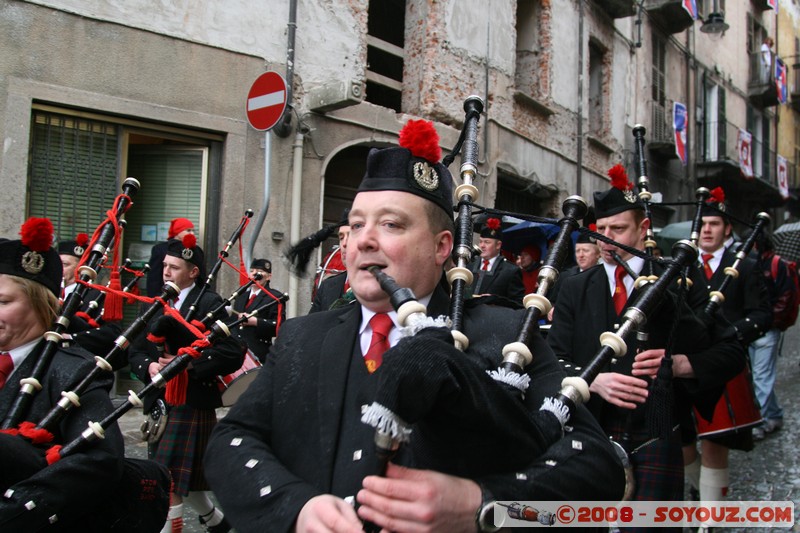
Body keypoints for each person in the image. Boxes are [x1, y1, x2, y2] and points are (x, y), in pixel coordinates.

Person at [205, 119, 626, 533]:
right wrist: (297, 509)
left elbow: (596, 468)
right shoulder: (303, 337)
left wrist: (483, 506)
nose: (364, 240)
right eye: (355, 224)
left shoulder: (509, 334)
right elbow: (232, 440)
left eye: (390, 224)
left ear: (442, 246)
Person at [547, 170, 745, 511]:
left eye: (618, 230)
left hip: (654, 430)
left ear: (642, 229)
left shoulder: (678, 278)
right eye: (600, 231)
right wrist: (591, 380)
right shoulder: (573, 286)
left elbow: (730, 352)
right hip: (589, 426)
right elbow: (552, 356)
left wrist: (683, 365)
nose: (607, 240)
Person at [0, 218, 126, 530]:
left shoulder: (74, 370)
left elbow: (99, 462)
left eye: (3, 301)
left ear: (42, 306)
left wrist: (13, 510)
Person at [129, 234, 244, 533]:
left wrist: (189, 365)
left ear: (193, 272)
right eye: (165, 266)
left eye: (174, 267)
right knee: (180, 479)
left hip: (190, 401)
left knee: (169, 481)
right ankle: (217, 521)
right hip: (160, 402)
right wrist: (152, 366)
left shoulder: (208, 302)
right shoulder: (155, 303)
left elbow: (233, 351)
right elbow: (137, 351)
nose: (166, 272)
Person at [682, 191, 771, 511]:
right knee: (683, 444)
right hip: (687, 363)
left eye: (715, 224)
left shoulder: (745, 267)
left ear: (727, 229)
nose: (707, 230)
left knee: (716, 442)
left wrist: (731, 333)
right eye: (703, 223)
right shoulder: (683, 264)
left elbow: (763, 314)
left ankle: (708, 519)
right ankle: (700, 491)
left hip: (723, 362)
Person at [749, 232, 787, 440]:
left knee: (761, 375)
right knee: (759, 375)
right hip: (752, 326)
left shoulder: (776, 264)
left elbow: (785, 294)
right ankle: (775, 413)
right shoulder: (748, 264)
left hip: (768, 327)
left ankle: (759, 421)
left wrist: (772, 320)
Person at [231, 258, 286, 364]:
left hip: (258, 353)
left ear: (269, 276)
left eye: (260, 271)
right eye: (252, 271)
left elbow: (279, 326)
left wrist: (255, 322)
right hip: (237, 352)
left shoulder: (275, 297)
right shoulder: (241, 296)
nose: (255, 274)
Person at [468, 218, 525, 306]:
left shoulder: (511, 271)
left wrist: (497, 300)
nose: (482, 246)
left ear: (498, 245)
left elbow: (518, 304)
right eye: (480, 242)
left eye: (487, 242)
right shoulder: (469, 267)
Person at [310, 214, 353, 313]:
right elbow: (311, 325)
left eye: (351, 235)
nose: (344, 243)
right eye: (341, 238)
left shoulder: (378, 286)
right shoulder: (327, 287)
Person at [146, 218, 195, 297]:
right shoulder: (160, 249)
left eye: (193, 231)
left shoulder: (192, 250)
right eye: (188, 230)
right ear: (177, 231)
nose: (192, 233)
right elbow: (153, 278)